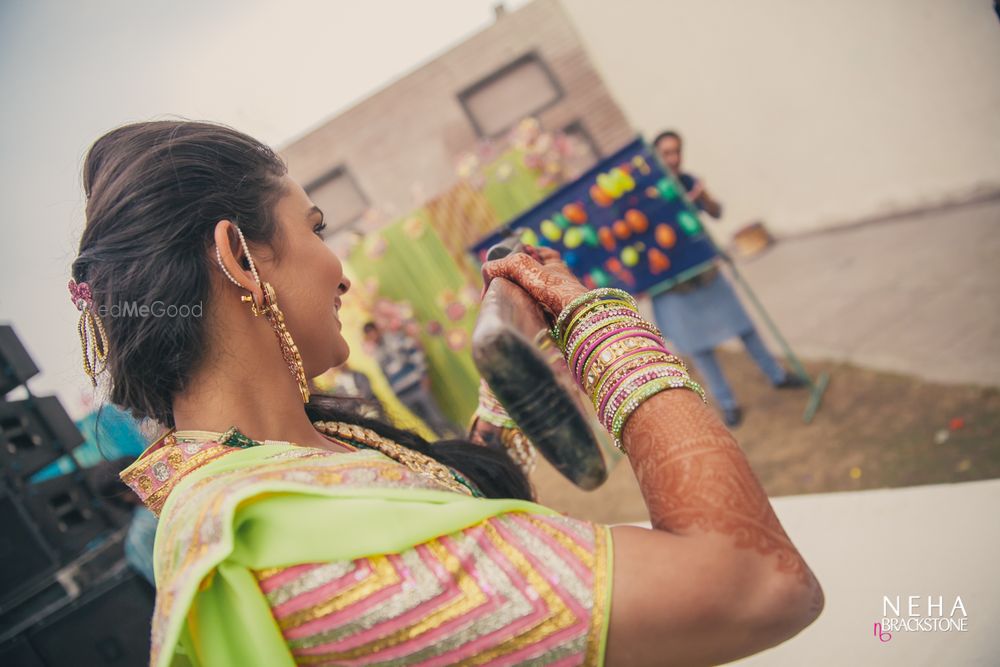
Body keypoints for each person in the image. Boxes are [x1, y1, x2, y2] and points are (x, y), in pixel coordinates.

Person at [69, 120, 822, 667]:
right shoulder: (288, 554)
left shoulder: (268, 464)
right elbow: (756, 585)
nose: (341, 269)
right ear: (239, 255)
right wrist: (599, 323)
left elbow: (445, 504)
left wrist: (518, 356)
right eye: (316, 226)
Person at [651, 130, 806, 427]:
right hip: (673, 286)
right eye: (665, 153)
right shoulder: (648, 194)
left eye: (676, 152)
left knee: (743, 326)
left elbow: (716, 212)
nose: (672, 158)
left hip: (706, 273)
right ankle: (727, 402)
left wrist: (701, 197)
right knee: (698, 346)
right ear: (655, 156)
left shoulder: (688, 181)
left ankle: (776, 374)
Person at [363, 320, 462, 438]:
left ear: (377, 329)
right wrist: (395, 393)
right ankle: (449, 448)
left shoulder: (395, 338)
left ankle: (462, 436)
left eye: (372, 332)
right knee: (428, 424)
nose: (372, 337)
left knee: (438, 418)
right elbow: (386, 375)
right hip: (403, 395)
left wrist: (424, 374)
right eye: (369, 335)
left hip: (417, 386)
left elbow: (415, 352)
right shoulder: (377, 353)